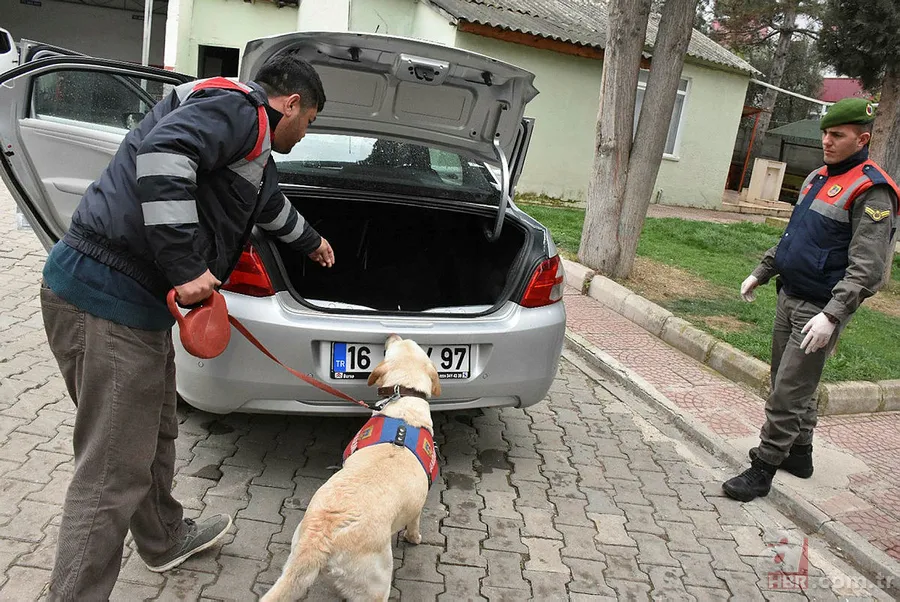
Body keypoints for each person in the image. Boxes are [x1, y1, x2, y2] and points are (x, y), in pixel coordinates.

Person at [39, 53, 334, 600]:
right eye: (310, 121)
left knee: (155, 433)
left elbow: (267, 206)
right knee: (111, 474)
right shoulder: (240, 111)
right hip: (106, 300)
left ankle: (164, 539)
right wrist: (186, 266)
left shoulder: (249, 143)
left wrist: (312, 242)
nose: (306, 133)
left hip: (131, 303)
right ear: (291, 103)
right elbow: (163, 155)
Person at [722, 97, 899, 502]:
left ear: (863, 138)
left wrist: (833, 315)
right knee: (789, 382)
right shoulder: (817, 176)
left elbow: (868, 267)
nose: (827, 141)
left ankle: (763, 468)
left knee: (788, 390)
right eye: (825, 133)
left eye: (837, 135)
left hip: (819, 307)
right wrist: (762, 271)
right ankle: (799, 454)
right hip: (790, 296)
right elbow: (794, 237)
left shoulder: (872, 190)